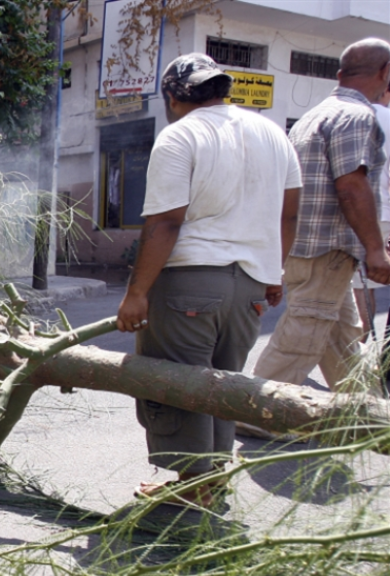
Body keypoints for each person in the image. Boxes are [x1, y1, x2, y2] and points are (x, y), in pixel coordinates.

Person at [115, 53, 302, 508]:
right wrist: (274, 270)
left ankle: (196, 487)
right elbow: (289, 211)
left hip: (190, 282)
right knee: (224, 383)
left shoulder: (181, 136)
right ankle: (207, 480)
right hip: (251, 286)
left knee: (181, 384)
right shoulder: (273, 133)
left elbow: (165, 223)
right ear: (222, 89)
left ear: (174, 97)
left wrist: (137, 293)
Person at [253, 39, 390, 392]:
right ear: (385, 73)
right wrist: (376, 249)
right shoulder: (358, 116)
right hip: (327, 249)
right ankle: (253, 412)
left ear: (340, 74)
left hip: (304, 246)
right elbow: (351, 186)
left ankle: (363, 414)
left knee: (341, 335)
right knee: (303, 332)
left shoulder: (311, 117)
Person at [350, 86, 390, 338]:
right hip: (386, 213)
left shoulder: (360, 115)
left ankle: (364, 346)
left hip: (366, 213)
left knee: (362, 286)